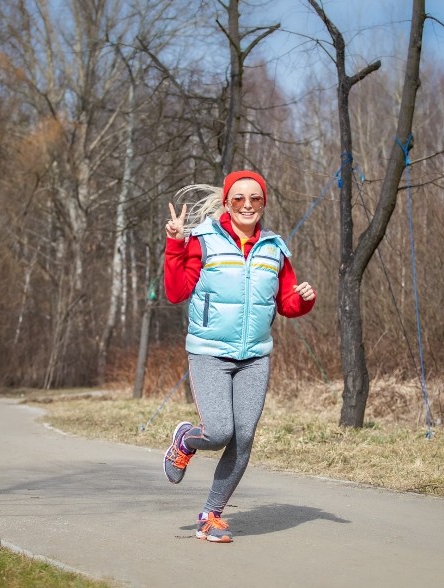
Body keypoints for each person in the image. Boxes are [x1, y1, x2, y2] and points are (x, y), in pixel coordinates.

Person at [162, 170, 316, 543]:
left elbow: (284, 303)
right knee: (218, 432)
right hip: (210, 352)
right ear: (228, 203)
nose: (247, 205)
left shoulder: (275, 249)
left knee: (243, 437)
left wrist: (303, 301)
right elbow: (175, 292)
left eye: (255, 199)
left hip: (255, 357)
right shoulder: (202, 240)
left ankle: (210, 516)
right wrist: (175, 246)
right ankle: (185, 440)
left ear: (264, 204)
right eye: (239, 198)